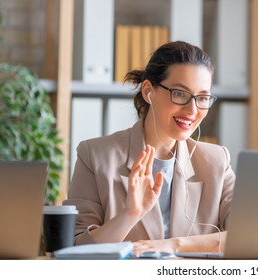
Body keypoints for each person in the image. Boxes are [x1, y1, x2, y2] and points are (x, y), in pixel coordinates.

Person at [63, 41, 235, 254]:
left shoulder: (216, 161)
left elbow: (248, 235)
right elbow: (75, 249)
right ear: (148, 91)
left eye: (202, 98)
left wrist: (174, 245)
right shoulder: (95, 155)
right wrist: (130, 214)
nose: (192, 110)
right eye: (180, 93)